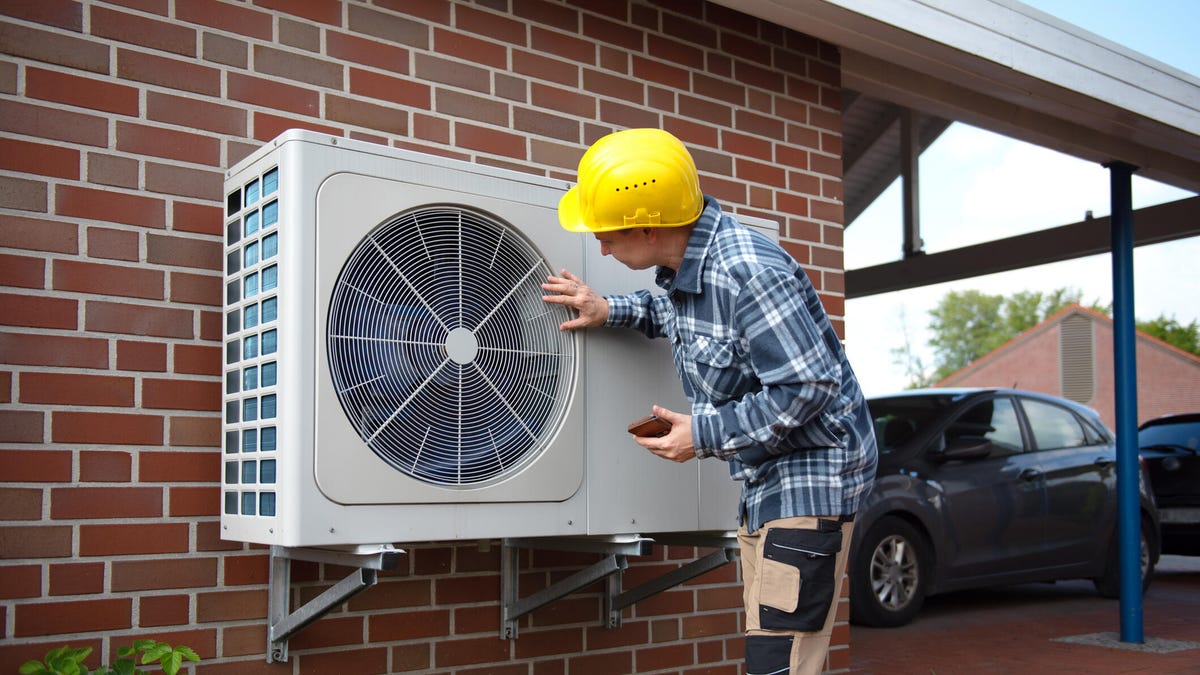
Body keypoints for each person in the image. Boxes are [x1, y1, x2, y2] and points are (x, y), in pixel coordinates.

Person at [542, 128, 877, 675]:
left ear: (650, 226)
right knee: (775, 648)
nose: (601, 247)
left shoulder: (748, 271)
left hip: (810, 480)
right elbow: (680, 318)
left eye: (607, 235)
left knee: (781, 660)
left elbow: (807, 388)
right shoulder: (691, 270)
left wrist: (703, 433)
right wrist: (610, 308)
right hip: (768, 481)